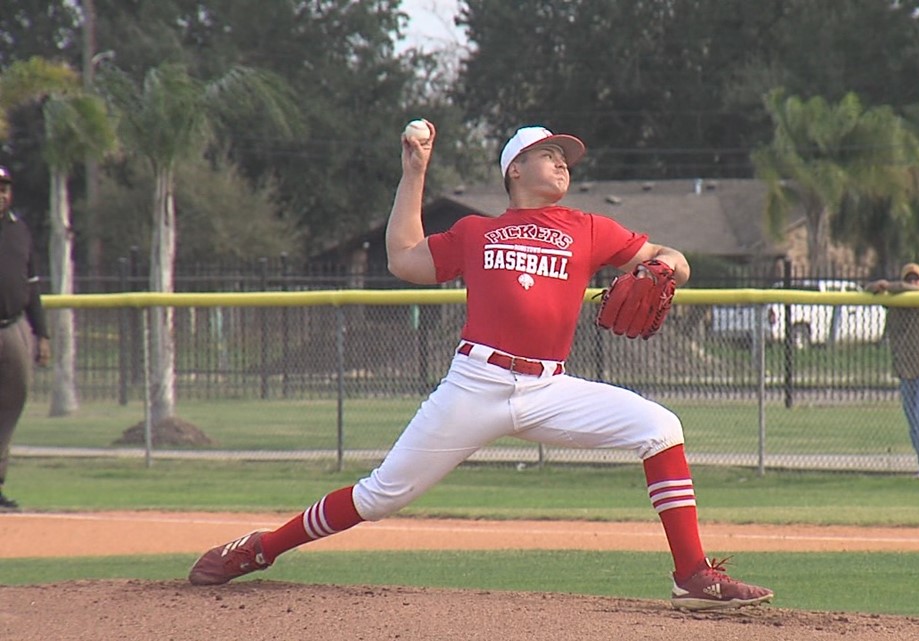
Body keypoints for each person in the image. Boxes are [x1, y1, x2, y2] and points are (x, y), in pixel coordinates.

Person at [188, 123, 774, 610]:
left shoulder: (590, 228)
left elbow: (672, 257)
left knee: (661, 427)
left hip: (549, 386)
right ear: (515, 169)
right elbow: (403, 260)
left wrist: (665, 270)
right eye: (549, 155)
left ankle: (693, 576)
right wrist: (414, 171)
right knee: (379, 496)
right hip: (476, 384)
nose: (562, 164)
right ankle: (262, 547)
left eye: (565, 157)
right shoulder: (476, 231)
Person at [0, 164, 51, 510]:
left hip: (12, 326)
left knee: (11, 404)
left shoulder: (19, 231)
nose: (1, 194)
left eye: (4, 188)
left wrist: (42, 334)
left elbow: (32, 287)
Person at [868, 263, 919, 480]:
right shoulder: (894, 302)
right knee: (914, 423)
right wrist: (877, 286)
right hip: (906, 369)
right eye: (908, 279)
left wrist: (893, 285)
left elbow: (918, 293)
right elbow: (868, 290)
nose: (913, 283)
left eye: (916, 279)